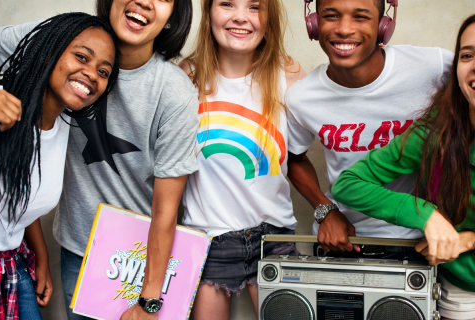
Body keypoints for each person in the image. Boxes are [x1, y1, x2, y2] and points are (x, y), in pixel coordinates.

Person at [0, 1, 199, 319]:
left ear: (173, 17)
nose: (144, 1)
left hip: (142, 261)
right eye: (80, 58)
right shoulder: (61, 38)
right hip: (78, 249)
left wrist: (149, 301)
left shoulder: (173, 92)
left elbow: (166, 209)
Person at [332, 14, 475, 320]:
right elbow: (347, 184)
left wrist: (469, 238)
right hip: (464, 292)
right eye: (467, 55)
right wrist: (426, 214)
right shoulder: (434, 135)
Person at [286, 0, 453, 259]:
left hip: (419, 239)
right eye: (331, 16)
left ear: (383, 25)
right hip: (342, 240)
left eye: (361, 17)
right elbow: (293, 158)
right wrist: (325, 210)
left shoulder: (433, 66)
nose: (344, 29)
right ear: (315, 24)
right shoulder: (302, 97)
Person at [179, 0, 306, 318]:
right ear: (208, 13)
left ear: (269, 17)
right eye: (227, 4)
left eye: (254, 6)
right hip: (209, 240)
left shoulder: (288, 74)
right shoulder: (185, 77)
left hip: (273, 236)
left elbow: (303, 154)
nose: (240, 17)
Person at [0, 12, 118, 320]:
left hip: (13, 262)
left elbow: (17, 196)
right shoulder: (2, 105)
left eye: (103, 71)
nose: (92, 74)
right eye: (81, 57)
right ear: (50, 50)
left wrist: (41, 256)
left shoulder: (63, 125)